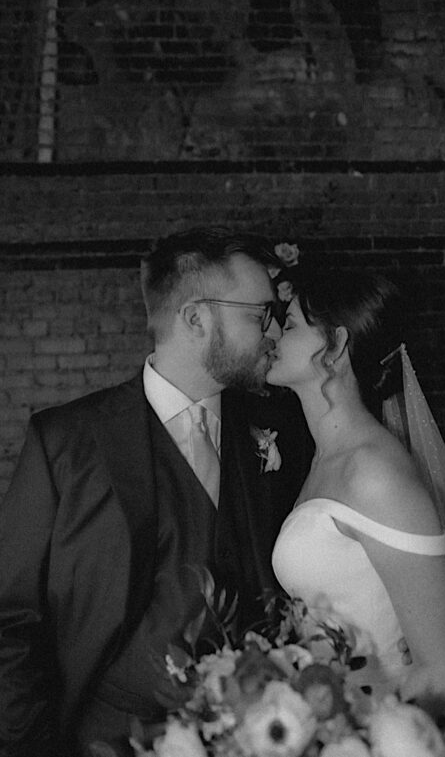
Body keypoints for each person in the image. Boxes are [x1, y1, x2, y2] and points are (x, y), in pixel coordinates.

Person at [0, 228, 312, 757]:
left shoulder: (281, 428)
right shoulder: (65, 442)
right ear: (196, 319)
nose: (273, 330)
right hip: (103, 740)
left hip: (257, 735)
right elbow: (11, 620)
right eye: (257, 314)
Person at [266, 268, 445, 755]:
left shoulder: (376, 474)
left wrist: (346, 738)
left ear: (335, 347)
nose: (272, 334)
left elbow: (441, 671)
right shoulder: (323, 459)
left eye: (288, 324)